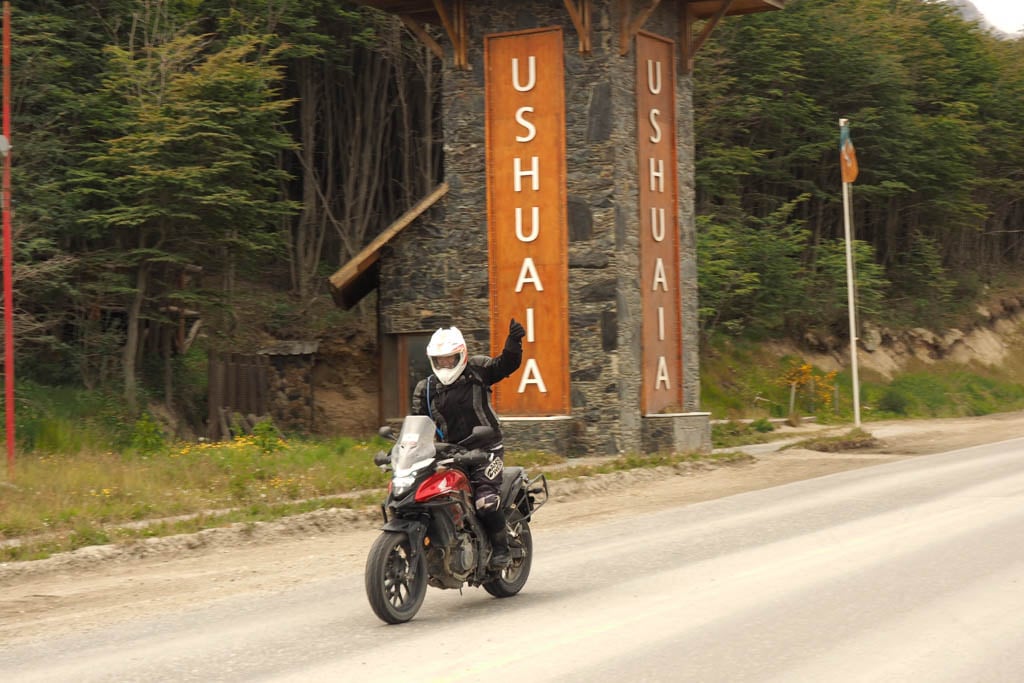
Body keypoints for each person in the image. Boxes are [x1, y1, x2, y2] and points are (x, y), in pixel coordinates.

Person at [410, 318, 526, 570]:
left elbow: (505, 364)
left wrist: (513, 342)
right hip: (448, 452)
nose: (445, 364)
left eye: (450, 359)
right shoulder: (426, 388)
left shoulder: (478, 369)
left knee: (485, 501)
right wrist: (405, 450)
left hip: (486, 449)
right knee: (424, 496)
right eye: (439, 360)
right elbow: (416, 425)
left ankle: (500, 548)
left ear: (461, 355)